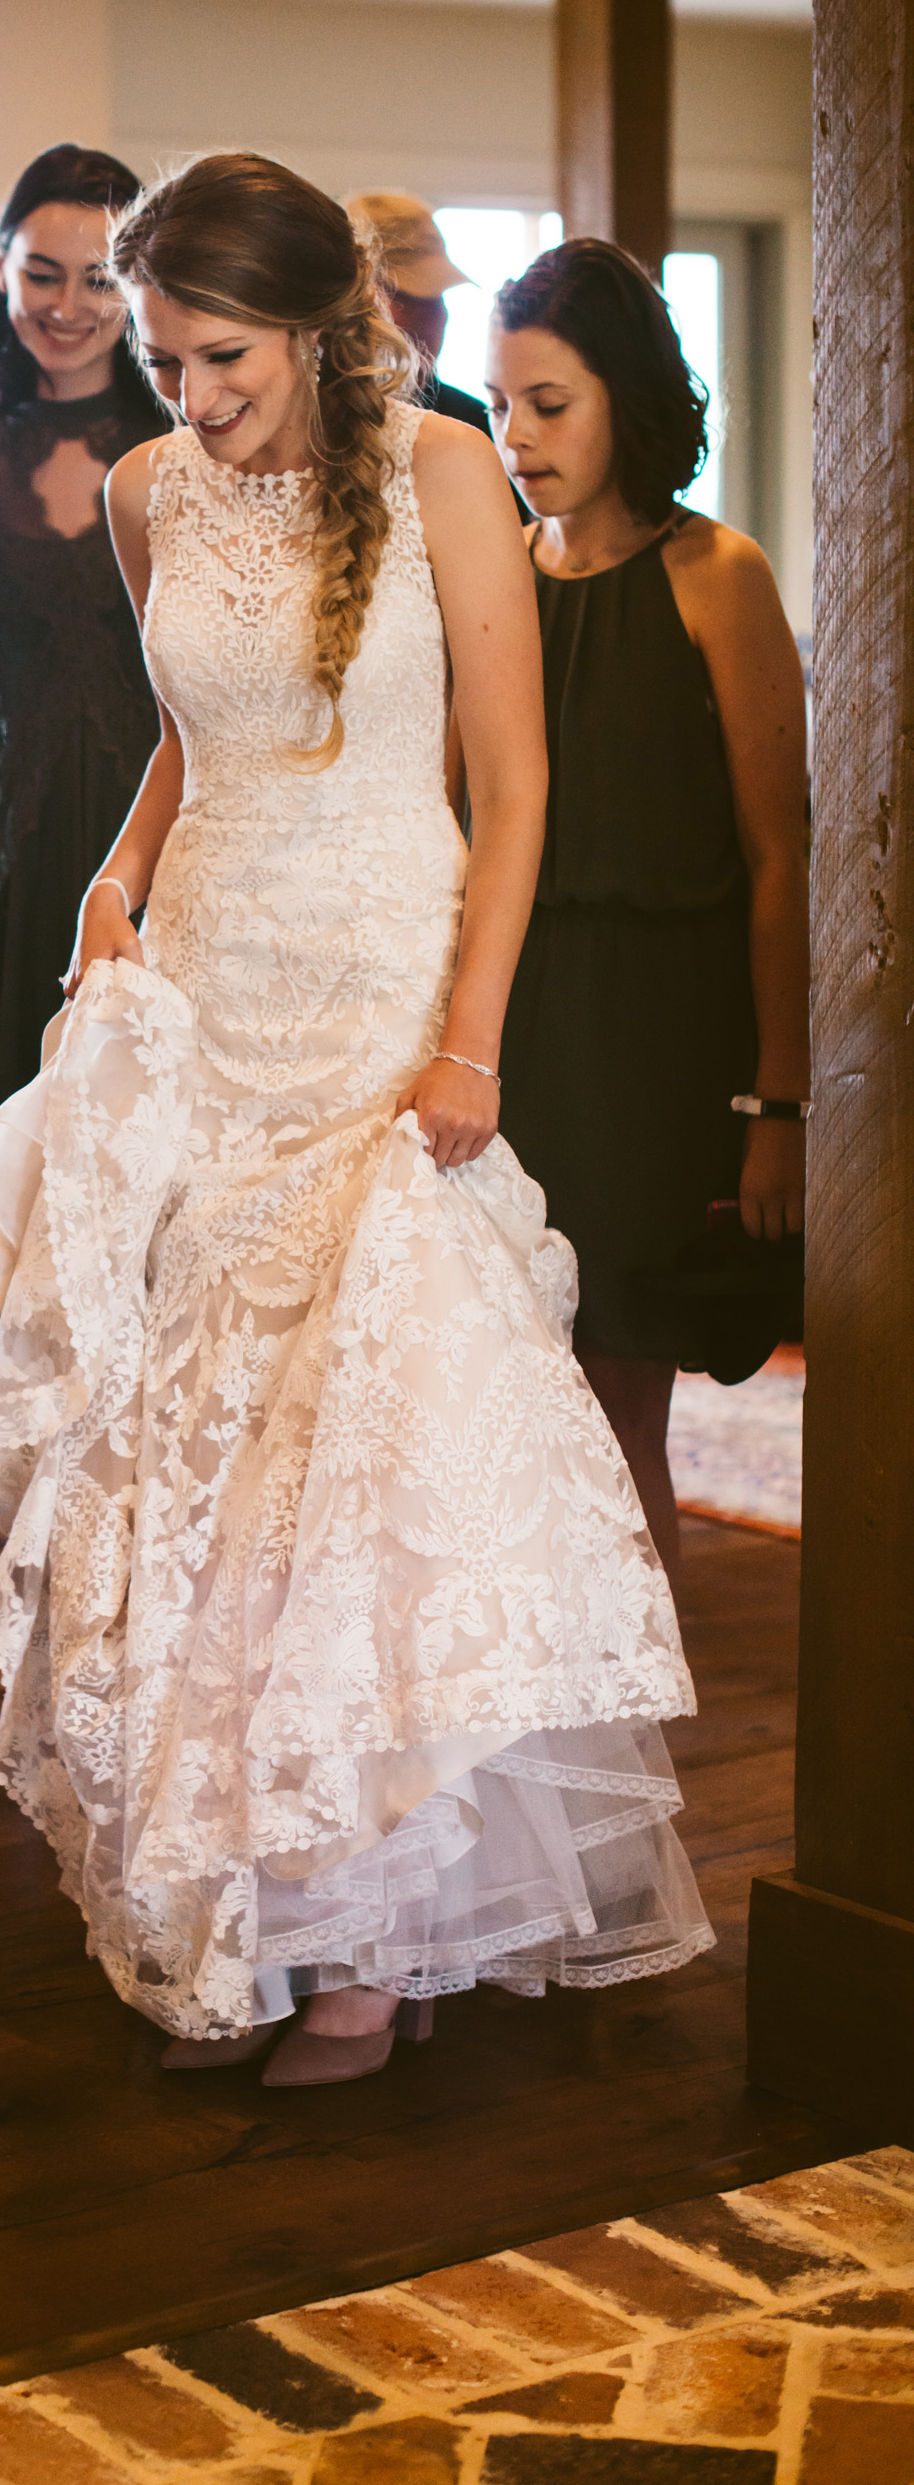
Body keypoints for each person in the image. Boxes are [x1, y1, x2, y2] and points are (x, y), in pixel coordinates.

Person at [0, 152, 711, 2080]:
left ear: (311, 325)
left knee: (351, 1464)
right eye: (165, 362)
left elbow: (513, 787)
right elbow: (188, 754)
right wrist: (118, 884)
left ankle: (374, 1934)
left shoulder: (445, 468)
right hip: (201, 988)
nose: (186, 400)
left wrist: (472, 1043)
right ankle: (233, 1904)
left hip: (377, 998)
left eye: (216, 360)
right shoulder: (142, 491)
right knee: (190, 1459)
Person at [485, 239, 809, 1599]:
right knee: (513, 1402)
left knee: (618, 1406)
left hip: (664, 1042)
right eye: (501, 404)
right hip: (524, 1022)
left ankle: (629, 1760)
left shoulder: (713, 574)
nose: (517, 436)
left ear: (626, 396)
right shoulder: (494, 572)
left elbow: (781, 852)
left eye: (549, 404)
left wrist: (779, 1104)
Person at [0, 144, 167, 1232]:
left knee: (151, 1214)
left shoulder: (189, 447)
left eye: (101, 276)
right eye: (41, 272)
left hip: (157, 870)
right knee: (8, 1233)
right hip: (12, 897)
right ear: (1, 269)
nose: (67, 304)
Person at [343, 188, 493, 437]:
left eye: (437, 297)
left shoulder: (472, 423)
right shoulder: (306, 419)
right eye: (405, 298)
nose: (431, 318)